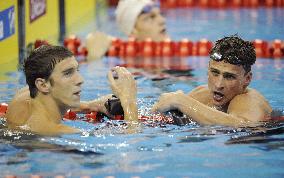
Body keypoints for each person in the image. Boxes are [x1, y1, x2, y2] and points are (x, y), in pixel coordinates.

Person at [5, 45, 137, 135]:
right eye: (68, 73)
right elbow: (132, 143)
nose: (80, 79)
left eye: (77, 70)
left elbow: (48, 101)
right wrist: (128, 101)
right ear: (43, 85)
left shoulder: (22, 97)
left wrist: (90, 105)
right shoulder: (57, 132)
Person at [152, 35, 272, 127]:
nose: (218, 84)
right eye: (215, 73)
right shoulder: (201, 94)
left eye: (229, 76)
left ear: (247, 79)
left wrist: (180, 101)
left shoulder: (250, 100)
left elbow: (244, 126)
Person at [86, 0, 168, 60]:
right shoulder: (130, 67)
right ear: (133, 31)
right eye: (150, 17)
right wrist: (94, 57)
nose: (162, 20)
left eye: (160, 14)